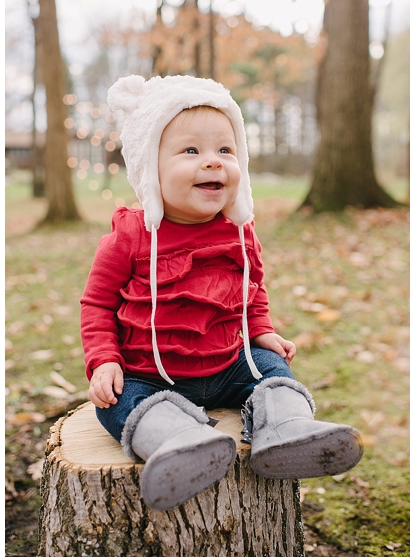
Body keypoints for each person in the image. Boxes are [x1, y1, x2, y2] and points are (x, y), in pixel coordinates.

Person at [80, 74, 364, 511]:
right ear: (149, 165)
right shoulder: (130, 236)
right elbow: (97, 304)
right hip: (150, 374)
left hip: (231, 364)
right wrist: (104, 361)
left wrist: (262, 330)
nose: (213, 162)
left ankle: (287, 429)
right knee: (114, 404)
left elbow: (252, 289)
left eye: (225, 150)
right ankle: (179, 441)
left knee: (272, 368)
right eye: (191, 151)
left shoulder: (239, 230)